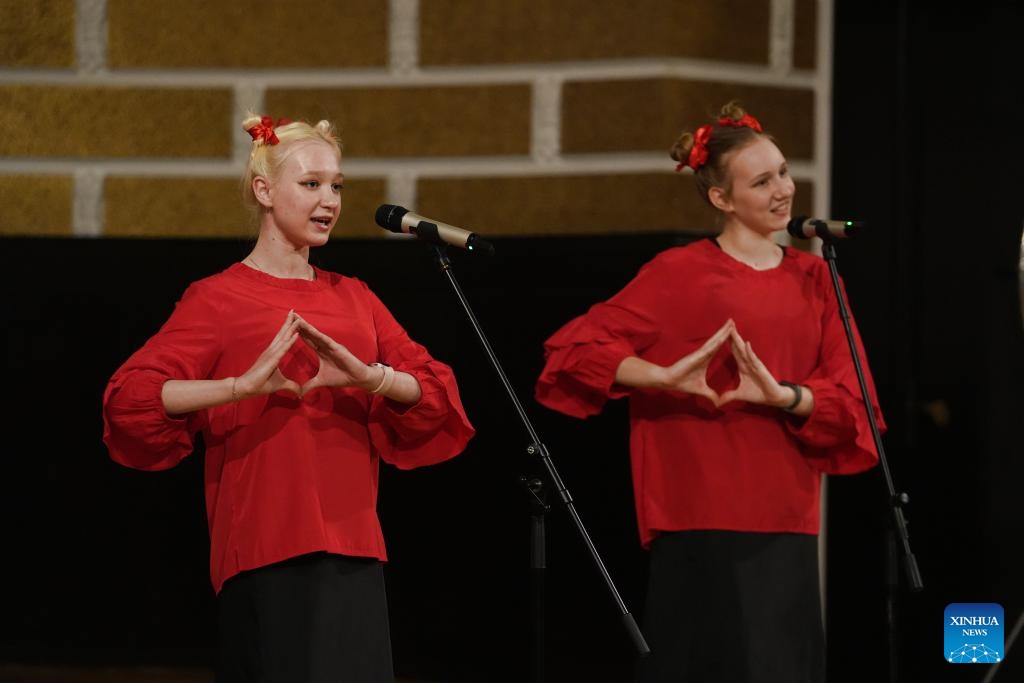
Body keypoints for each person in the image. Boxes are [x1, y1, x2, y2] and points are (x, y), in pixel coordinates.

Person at [102, 114, 475, 683]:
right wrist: (238, 387)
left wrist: (369, 377)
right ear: (264, 190)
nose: (329, 200)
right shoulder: (217, 297)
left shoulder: (355, 297)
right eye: (311, 184)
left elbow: (432, 391)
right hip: (265, 544)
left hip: (354, 545)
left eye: (337, 186)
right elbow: (132, 398)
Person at [534, 101, 883, 683]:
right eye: (762, 180)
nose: (783, 190)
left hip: (785, 513)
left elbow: (854, 404)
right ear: (721, 199)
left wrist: (784, 395)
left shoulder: (817, 279)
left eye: (784, 173)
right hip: (697, 509)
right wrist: (661, 375)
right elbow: (572, 353)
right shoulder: (679, 273)